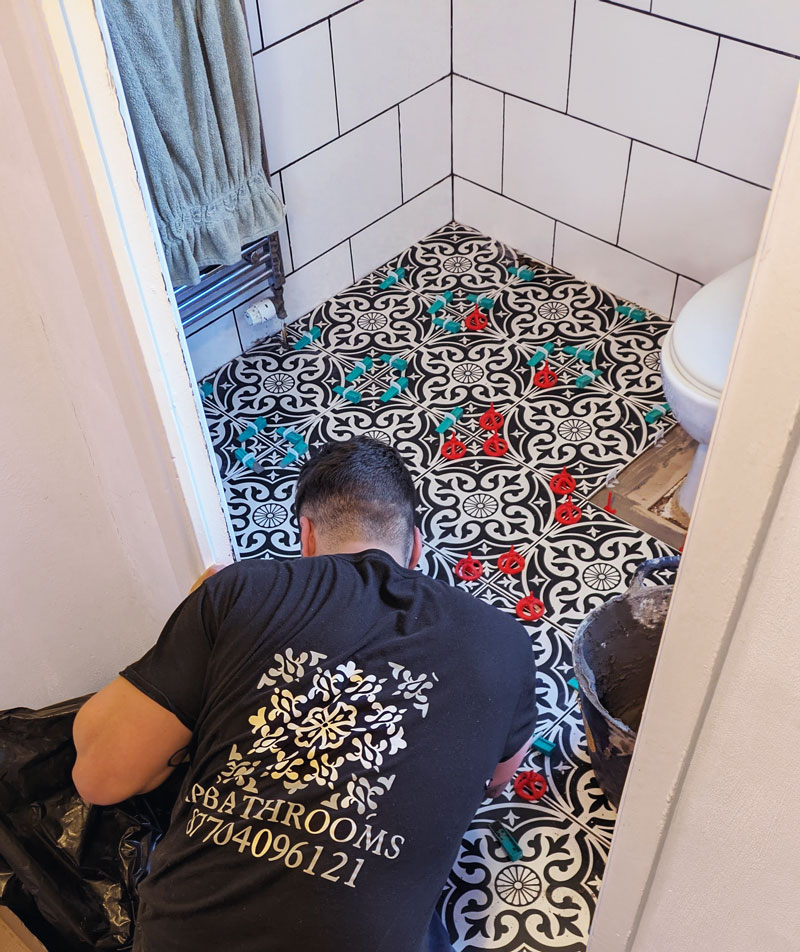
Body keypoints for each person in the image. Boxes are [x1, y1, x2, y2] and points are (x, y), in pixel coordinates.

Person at [72, 437, 537, 952]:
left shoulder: (240, 590)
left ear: (306, 536)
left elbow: (99, 780)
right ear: (416, 550)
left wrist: (198, 636)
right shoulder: (504, 640)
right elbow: (495, 780)